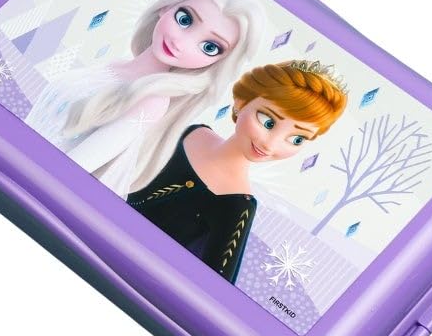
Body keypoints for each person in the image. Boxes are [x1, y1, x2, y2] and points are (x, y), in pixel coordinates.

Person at [24, 0, 265, 197]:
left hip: (32, 184)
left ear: (218, 63)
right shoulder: (115, 66)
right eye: (185, 20)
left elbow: (71, 171)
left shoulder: (151, 101)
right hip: (23, 161)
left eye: (209, 47)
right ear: (165, 8)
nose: (180, 42)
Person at [127, 59, 348, 284]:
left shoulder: (236, 206)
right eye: (268, 122)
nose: (270, 144)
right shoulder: (191, 133)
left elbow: (215, 287)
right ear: (241, 102)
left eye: (297, 139)